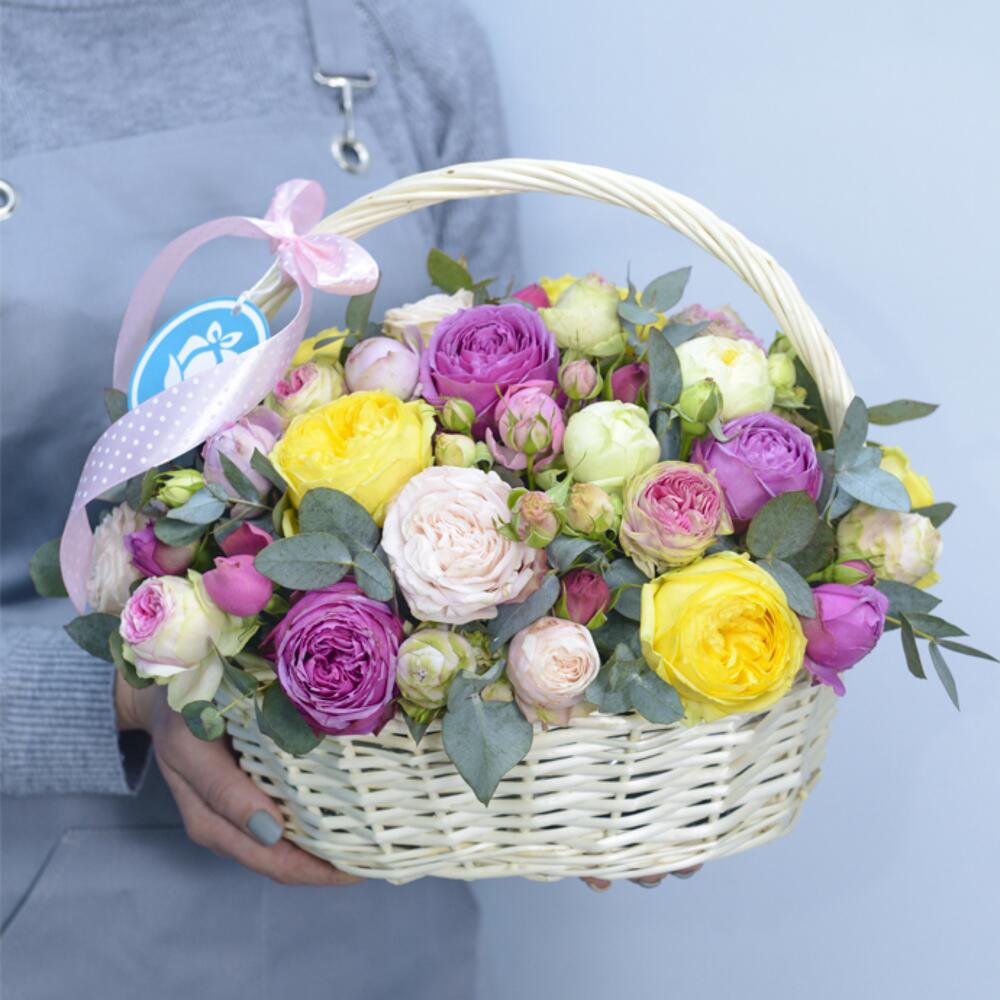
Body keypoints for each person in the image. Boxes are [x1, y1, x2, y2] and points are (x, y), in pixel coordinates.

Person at [0, 2, 518, 997]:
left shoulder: (399, 41)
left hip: (382, 917)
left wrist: (599, 709)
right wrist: (133, 689)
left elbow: (502, 465)